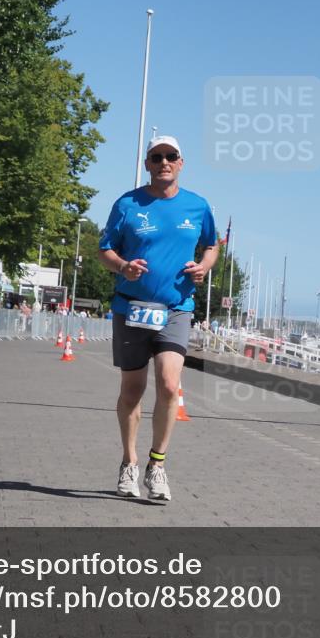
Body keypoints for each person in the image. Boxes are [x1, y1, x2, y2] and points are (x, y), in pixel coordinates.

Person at [98, 135, 218, 501]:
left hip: (176, 308)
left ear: (181, 163)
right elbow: (105, 249)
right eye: (156, 157)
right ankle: (129, 462)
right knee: (132, 391)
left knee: (169, 384)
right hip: (132, 307)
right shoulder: (128, 204)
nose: (164, 162)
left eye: (171, 156)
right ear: (147, 164)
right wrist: (122, 266)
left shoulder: (198, 206)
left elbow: (211, 245)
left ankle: (158, 465)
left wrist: (204, 267)